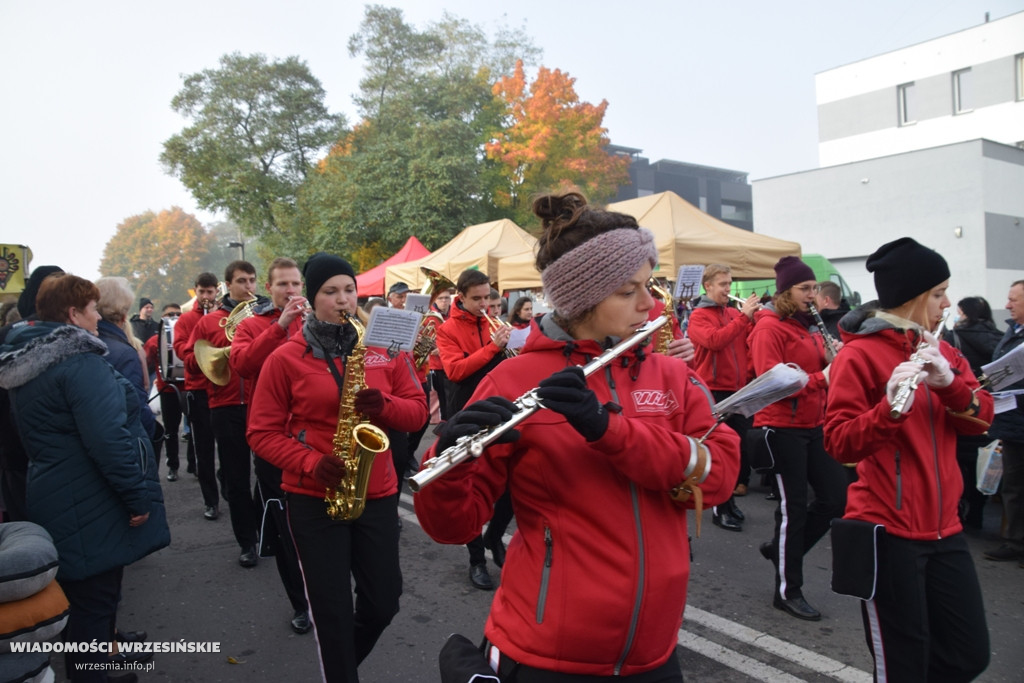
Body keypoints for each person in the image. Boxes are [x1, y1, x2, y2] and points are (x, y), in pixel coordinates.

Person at [415, 192, 739, 681]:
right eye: (628, 291)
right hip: (547, 649)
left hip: (653, 652)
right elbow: (454, 527)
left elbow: (716, 479)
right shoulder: (512, 379)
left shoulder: (672, 377)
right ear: (583, 298)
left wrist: (609, 430)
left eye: (647, 284)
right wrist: (449, 464)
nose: (649, 303)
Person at [247, 252, 426, 683]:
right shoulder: (285, 357)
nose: (343, 300)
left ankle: (341, 663)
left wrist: (384, 405)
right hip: (313, 499)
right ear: (312, 298)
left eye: (349, 290)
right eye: (331, 291)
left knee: (384, 602)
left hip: (377, 493)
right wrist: (310, 462)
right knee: (331, 612)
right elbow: (261, 432)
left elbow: (418, 412)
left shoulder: (383, 349)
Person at [824, 237, 993, 682]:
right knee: (903, 666)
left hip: (945, 527)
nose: (947, 303)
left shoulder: (946, 350)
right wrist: (888, 410)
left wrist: (949, 384)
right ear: (915, 298)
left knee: (968, 654)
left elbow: (981, 419)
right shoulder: (858, 356)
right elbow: (839, 443)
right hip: (887, 529)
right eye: (938, 293)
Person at [0, 273, 169, 683]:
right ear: (74, 314)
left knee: (83, 609)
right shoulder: (79, 363)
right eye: (92, 309)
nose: (99, 317)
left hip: (59, 493)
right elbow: (109, 440)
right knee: (96, 606)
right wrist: (137, 499)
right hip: (92, 499)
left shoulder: (31, 361)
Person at [749, 255, 847, 621]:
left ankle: (782, 551)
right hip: (780, 427)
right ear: (786, 291)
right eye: (805, 289)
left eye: (814, 288)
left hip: (812, 423)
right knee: (793, 510)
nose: (813, 295)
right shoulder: (768, 328)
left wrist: (834, 355)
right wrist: (825, 375)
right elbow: (773, 382)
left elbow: (815, 366)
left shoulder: (804, 324)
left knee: (836, 498)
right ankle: (787, 591)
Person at [231, 257, 311, 633]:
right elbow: (243, 365)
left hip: (314, 437)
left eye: (296, 284)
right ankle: (301, 603)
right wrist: (279, 326)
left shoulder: (318, 321)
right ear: (270, 287)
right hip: (273, 440)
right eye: (283, 285)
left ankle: (327, 593)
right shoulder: (251, 325)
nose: (291, 291)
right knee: (285, 526)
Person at [434, 268, 511, 589]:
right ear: (461, 298)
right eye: (476, 299)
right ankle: (476, 558)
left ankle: (495, 537)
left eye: (488, 299)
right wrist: (494, 348)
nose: (484, 306)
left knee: (509, 484)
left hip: (499, 409)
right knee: (470, 489)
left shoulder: (494, 323)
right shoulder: (448, 329)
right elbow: (454, 371)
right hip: (465, 412)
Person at [185, 260, 264, 568]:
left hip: (261, 405)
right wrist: (219, 353)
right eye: (241, 281)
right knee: (236, 479)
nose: (248, 286)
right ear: (227, 286)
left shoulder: (265, 317)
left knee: (268, 476)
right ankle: (246, 542)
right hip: (224, 406)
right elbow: (191, 361)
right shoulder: (208, 322)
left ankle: (262, 527)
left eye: (252, 280)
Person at [688, 264, 759, 530]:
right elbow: (714, 341)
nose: (728, 289)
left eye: (729, 284)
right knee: (721, 452)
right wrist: (743, 318)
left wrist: (757, 320)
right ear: (708, 286)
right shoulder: (698, 316)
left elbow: (746, 343)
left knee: (738, 449)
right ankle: (719, 508)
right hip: (714, 391)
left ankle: (729, 502)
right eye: (722, 284)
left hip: (738, 389)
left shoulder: (731, 312)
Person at [943, 296, 1003, 529]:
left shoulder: (954, 338)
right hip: (986, 405)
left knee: (958, 463)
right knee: (981, 462)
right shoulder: (998, 336)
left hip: (961, 405)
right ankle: (977, 511)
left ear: (965, 314)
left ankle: (958, 508)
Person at [173, 272, 221, 521]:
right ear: (196, 291)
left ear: (216, 292)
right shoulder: (185, 320)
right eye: (201, 292)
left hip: (222, 389)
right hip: (198, 389)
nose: (205, 296)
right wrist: (201, 344)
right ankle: (210, 501)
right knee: (203, 450)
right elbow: (181, 350)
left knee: (228, 447)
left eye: (209, 292)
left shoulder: (225, 316)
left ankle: (228, 488)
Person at [983, 280, 1024, 562]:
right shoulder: (1013, 330)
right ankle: (1015, 542)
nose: (1007, 305)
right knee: (1014, 486)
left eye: (1014, 300)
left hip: (1016, 415)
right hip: (1013, 420)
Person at [96, 277, 156, 440]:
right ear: (124, 314)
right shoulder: (124, 353)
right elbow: (135, 405)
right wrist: (152, 431)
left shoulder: (88, 341)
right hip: (122, 437)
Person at [143, 303, 191, 481]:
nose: (175, 317)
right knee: (171, 430)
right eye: (170, 314)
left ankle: (193, 464)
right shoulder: (154, 341)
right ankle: (173, 466)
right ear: (163, 318)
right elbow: (144, 361)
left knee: (194, 429)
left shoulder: (189, 336)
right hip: (167, 389)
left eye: (178, 314)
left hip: (189, 387)